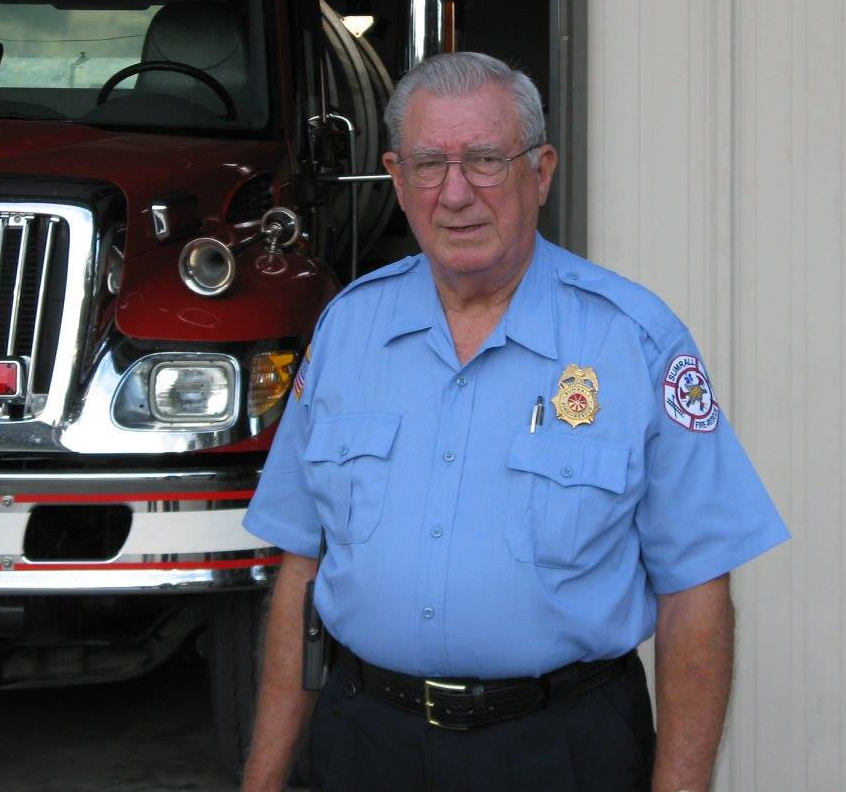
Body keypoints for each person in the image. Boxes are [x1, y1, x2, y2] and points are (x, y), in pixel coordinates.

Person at [240, 51, 789, 792]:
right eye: (429, 164)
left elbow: (695, 592)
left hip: (561, 751)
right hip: (365, 742)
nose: (455, 193)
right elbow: (302, 566)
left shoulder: (634, 339)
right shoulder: (347, 331)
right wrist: (263, 780)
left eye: (486, 160)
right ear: (397, 179)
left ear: (541, 171)